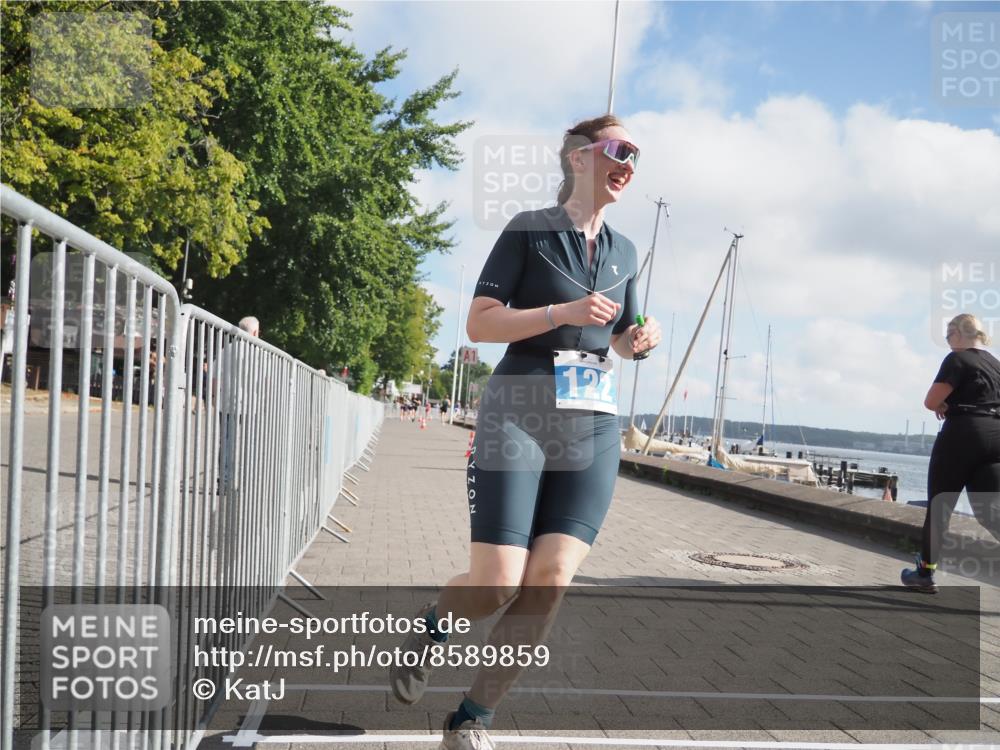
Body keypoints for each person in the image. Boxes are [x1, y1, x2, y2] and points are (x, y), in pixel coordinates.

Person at [390, 114, 661, 749]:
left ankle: (470, 721)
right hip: (520, 409)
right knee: (498, 582)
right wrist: (560, 312)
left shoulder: (625, 251)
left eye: (637, 156)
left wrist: (636, 341)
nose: (629, 164)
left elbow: (620, 337)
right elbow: (480, 325)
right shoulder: (528, 230)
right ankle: (431, 628)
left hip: (591, 423)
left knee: (552, 579)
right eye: (619, 150)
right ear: (578, 159)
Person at [901, 313, 1000, 593]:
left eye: (948, 336)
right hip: (996, 436)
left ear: (959, 333)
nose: (947, 343)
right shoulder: (996, 364)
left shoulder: (957, 359)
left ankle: (924, 573)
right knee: (989, 511)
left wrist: (943, 405)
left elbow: (931, 401)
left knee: (940, 505)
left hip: (964, 434)